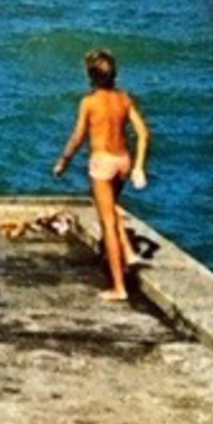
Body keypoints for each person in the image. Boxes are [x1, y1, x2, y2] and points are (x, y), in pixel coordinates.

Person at [53, 49, 152, 303]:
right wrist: (139, 165)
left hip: (102, 162)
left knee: (107, 223)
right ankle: (128, 253)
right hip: (123, 162)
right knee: (110, 208)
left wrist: (64, 161)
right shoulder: (124, 99)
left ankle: (119, 287)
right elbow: (143, 133)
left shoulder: (89, 102)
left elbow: (78, 137)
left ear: (90, 76)